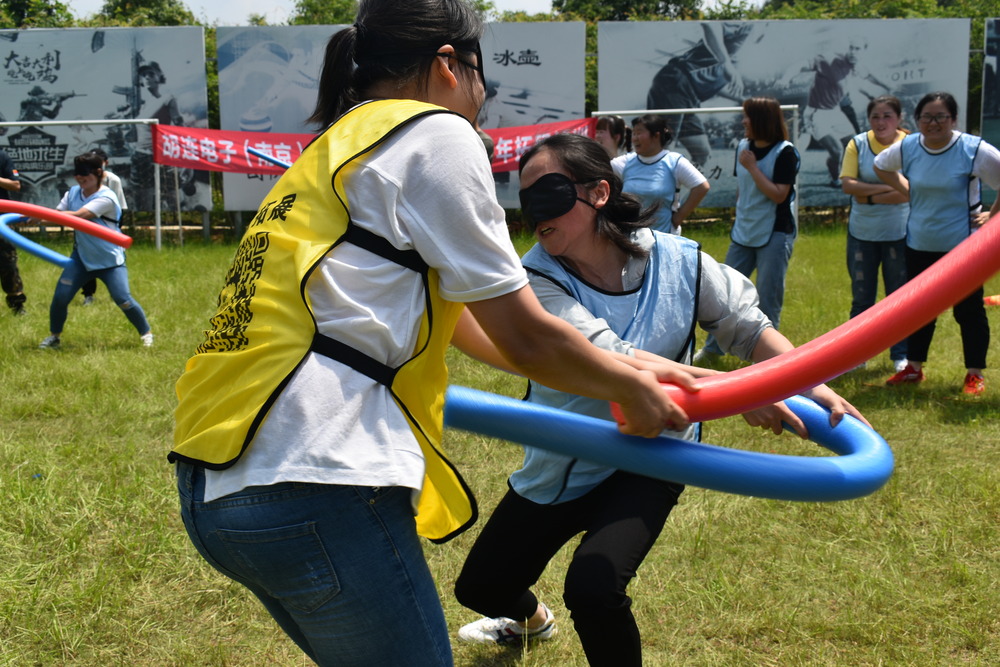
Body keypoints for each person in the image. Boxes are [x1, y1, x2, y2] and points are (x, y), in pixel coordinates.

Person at [170, 2, 695, 665]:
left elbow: (471, 325)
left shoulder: (337, 145)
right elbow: (527, 336)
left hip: (215, 483)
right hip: (313, 472)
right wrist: (629, 389)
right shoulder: (436, 132)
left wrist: (642, 368)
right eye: (483, 72)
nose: (484, 97)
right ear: (450, 64)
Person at [453, 133, 867, 666]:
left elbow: (748, 328)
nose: (536, 213)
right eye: (526, 198)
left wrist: (811, 383)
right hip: (567, 457)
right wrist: (734, 391)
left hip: (655, 452)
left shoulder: (678, 259)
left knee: (594, 586)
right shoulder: (533, 280)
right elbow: (611, 358)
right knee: (480, 588)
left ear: (599, 192)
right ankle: (532, 622)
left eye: (549, 193)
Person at [874, 91, 1000, 395]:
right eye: (926, 117)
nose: (933, 123)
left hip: (963, 248)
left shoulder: (973, 149)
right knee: (919, 310)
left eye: (941, 116)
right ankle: (913, 368)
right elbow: (881, 165)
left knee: (968, 311)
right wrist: (908, 190)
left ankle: (974, 374)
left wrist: (992, 217)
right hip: (919, 243)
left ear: (953, 120)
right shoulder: (908, 146)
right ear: (917, 120)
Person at [698, 97, 800, 362]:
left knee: (768, 297)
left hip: (775, 233)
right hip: (742, 232)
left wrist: (753, 167)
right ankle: (712, 350)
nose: (743, 121)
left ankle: (771, 360)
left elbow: (778, 195)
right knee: (722, 294)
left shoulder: (786, 152)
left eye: (747, 117)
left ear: (762, 120)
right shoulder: (743, 147)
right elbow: (742, 189)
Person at [31, 153, 152, 350]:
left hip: (110, 260)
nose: (80, 178)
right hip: (81, 258)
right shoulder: (72, 193)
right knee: (60, 298)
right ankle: (54, 337)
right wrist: (33, 218)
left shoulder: (106, 197)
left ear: (98, 173)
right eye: (77, 174)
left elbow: (79, 216)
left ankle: (146, 333)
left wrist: (39, 215)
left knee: (122, 299)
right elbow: (58, 215)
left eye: (85, 174)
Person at [839, 95, 910, 372]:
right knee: (862, 300)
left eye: (887, 116)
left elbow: (911, 193)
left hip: (899, 233)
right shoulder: (857, 144)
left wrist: (867, 195)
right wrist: (890, 188)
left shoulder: (910, 144)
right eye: (875, 117)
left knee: (899, 299)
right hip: (862, 234)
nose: (881, 122)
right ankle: (857, 355)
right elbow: (848, 186)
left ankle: (900, 355)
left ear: (899, 118)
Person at [787, 38, 891, 187]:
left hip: (835, 112)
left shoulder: (857, 66)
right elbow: (800, 64)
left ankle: (846, 173)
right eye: (852, 47)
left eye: (857, 49)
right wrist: (785, 78)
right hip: (817, 113)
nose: (853, 52)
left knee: (853, 145)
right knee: (837, 151)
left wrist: (888, 86)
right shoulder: (830, 60)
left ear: (864, 51)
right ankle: (835, 179)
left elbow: (869, 76)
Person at [646, 22, 752, 168]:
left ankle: (685, 182)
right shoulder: (744, 29)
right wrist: (726, 63)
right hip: (676, 82)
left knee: (702, 153)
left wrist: (741, 99)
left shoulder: (734, 59)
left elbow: (714, 87)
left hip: (690, 96)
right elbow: (710, 24)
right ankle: (656, 181)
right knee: (665, 147)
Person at [610, 114, 710, 236]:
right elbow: (600, 174)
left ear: (656, 135)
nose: (634, 138)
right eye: (634, 133)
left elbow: (702, 187)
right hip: (630, 238)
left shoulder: (674, 162)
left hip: (664, 238)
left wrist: (677, 219)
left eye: (639, 133)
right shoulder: (625, 162)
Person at [80, 148, 128, 306]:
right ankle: (88, 294)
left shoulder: (113, 180)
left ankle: (118, 293)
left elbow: (119, 206)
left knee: (113, 263)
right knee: (86, 260)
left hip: (108, 227)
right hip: (87, 224)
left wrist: (117, 231)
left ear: (105, 163)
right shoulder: (84, 179)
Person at [0, 146, 26, 315]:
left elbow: (15, 185)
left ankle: (17, 305)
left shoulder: (2, 156)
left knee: (8, 263)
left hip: (1, 221)